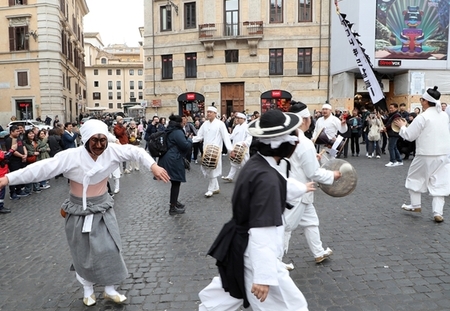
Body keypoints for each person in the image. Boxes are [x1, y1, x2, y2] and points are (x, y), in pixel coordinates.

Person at [0, 119, 170, 306]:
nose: (98, 145)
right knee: (83, 252)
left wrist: (153, 166)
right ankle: (88, 290)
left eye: (102, 140)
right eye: (94, 141)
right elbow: (41, 169)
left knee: (110, 249)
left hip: (102, 207)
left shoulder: (112, 151)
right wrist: (8, 178)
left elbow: (136, 151)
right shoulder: (71, 156)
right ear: (86, 140)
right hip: (78, 210)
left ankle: (109, 288)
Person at [198, 109, 314, 311]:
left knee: (220, 302)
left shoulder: (258, 165)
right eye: (294, 136)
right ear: (281, 143)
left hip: (240, 246)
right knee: (293, 307)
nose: (297, 141)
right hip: (253, 254)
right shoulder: (265, 178)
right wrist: (264, 277)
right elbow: (263, 231)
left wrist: (304, 187)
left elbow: (282, 185)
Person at [284, 102, 341, 265]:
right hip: (298, 190)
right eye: (309, 118)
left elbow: (296, 161)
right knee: (286, 227)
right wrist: (333, 175)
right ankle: (275, 261)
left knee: (311, 221)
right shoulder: (305, 143)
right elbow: (313, 173)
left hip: (299, 190)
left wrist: (312, 159)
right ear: (304, 120)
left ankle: (318, 252)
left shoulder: (289, 137)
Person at [394, 86, 450, 223]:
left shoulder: (422, 117)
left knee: (414, 177)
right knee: (440, 182)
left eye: (421, 99)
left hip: (426, 154)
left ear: (425, 101)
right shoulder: (444, 115)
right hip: (443, 154)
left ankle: (416, 205)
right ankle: (438, 212)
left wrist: (402, 126)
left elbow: (409, 136)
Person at [193, 106, 233, 197]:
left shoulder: (220, 124)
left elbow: (225, 137)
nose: (209, 114)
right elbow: (200, 136)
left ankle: (210, 189)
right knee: (208, 168)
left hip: (215, 151)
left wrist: (230, 150)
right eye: (208, 112)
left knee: (212, 168)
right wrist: (190, 140)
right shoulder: (204, 124)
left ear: (215, 113)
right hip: (206, 150)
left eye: (211, 112)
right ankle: (216, 188)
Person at [158, 114, 192, 215]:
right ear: (179, 123)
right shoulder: (177, 132)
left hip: (168, 158)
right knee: (176, 182)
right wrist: (189, 140)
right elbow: (185, 146)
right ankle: (172, 207)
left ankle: (174, 202)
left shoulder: (169, 130)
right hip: (174, 159)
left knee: (175, 182)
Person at [222, 112, 252, 182]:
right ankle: (230, 177)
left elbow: (249, 137)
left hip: (243, 148)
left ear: (243, 119)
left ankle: (248, 178)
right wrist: (226, 136)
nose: (237, 120)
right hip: (235, 147)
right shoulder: (237, 127)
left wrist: (245, 143)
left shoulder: (247, 127)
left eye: (239, 118)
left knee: (244, 164)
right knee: (234, 162)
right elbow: (232, 136)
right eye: (237, 118)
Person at [5, 125, 28, 200]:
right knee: (13, 176)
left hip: (21, 160)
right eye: (16, 131)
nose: (18, 132)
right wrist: (22, 156)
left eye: (19, 131)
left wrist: (25, 155)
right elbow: (12, 151)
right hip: (13, 161)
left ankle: (19, 190)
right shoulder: (9, 140)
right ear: (11, 132)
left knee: (19, 175)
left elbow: (23, 146)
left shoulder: (18, 138)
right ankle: (12, 193)